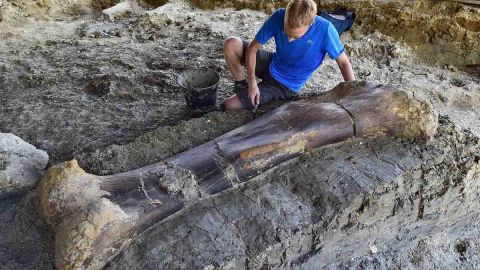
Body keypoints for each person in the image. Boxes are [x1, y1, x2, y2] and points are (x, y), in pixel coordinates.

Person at [222, 0, 355, 111]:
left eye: (295, 36)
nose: (289, 40)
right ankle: (241, 86)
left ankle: (268, 96)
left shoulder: (326, 30)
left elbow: (344, 63)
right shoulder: (279, 15)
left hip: (285, 86)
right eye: (287, 33)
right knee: (231, 44)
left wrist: (353, 94)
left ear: (311, 23)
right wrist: (251, 82)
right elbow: (252, 48)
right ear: (286, 14)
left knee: (229, 105)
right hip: (272, 62)